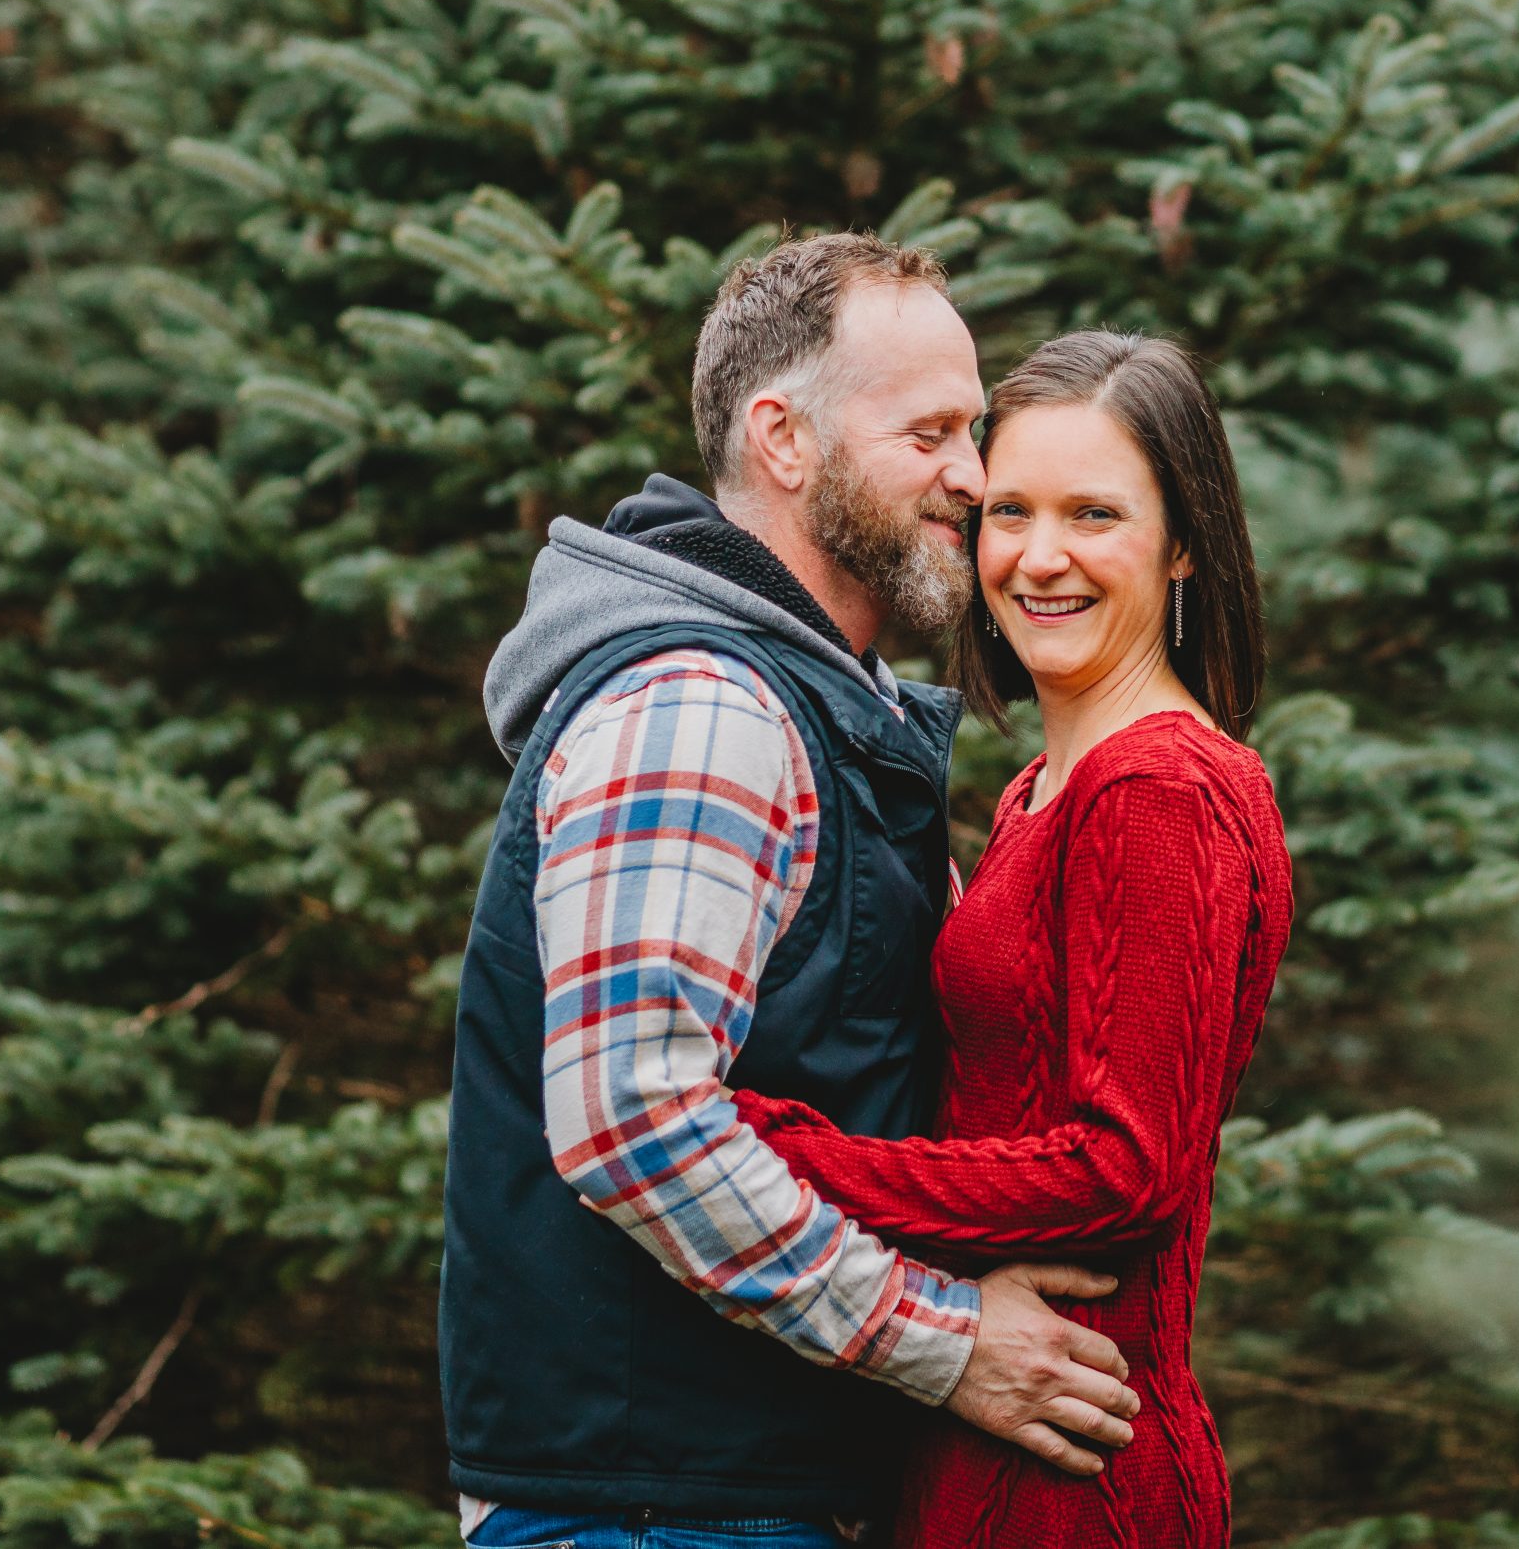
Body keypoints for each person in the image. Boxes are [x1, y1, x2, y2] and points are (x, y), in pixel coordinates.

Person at [438, 234, 1142, 1549]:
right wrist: (946, 1345)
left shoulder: (817, 702)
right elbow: (631, 1114)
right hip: (658, 1512)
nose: (975, 476)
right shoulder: (701, 704)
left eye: (974, 428)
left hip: (733, 1496)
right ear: (784, 439)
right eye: (930, 430)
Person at [731, 331, 1293, 1548]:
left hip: (1073, 1471)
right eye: (1011, 511)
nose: (1041, 558)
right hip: (992, 1443)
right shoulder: (1050, 781)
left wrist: (792, 1159)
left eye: (1095, 514)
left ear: (1184, 539)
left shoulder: (1161, 789)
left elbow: (1122, 1168)